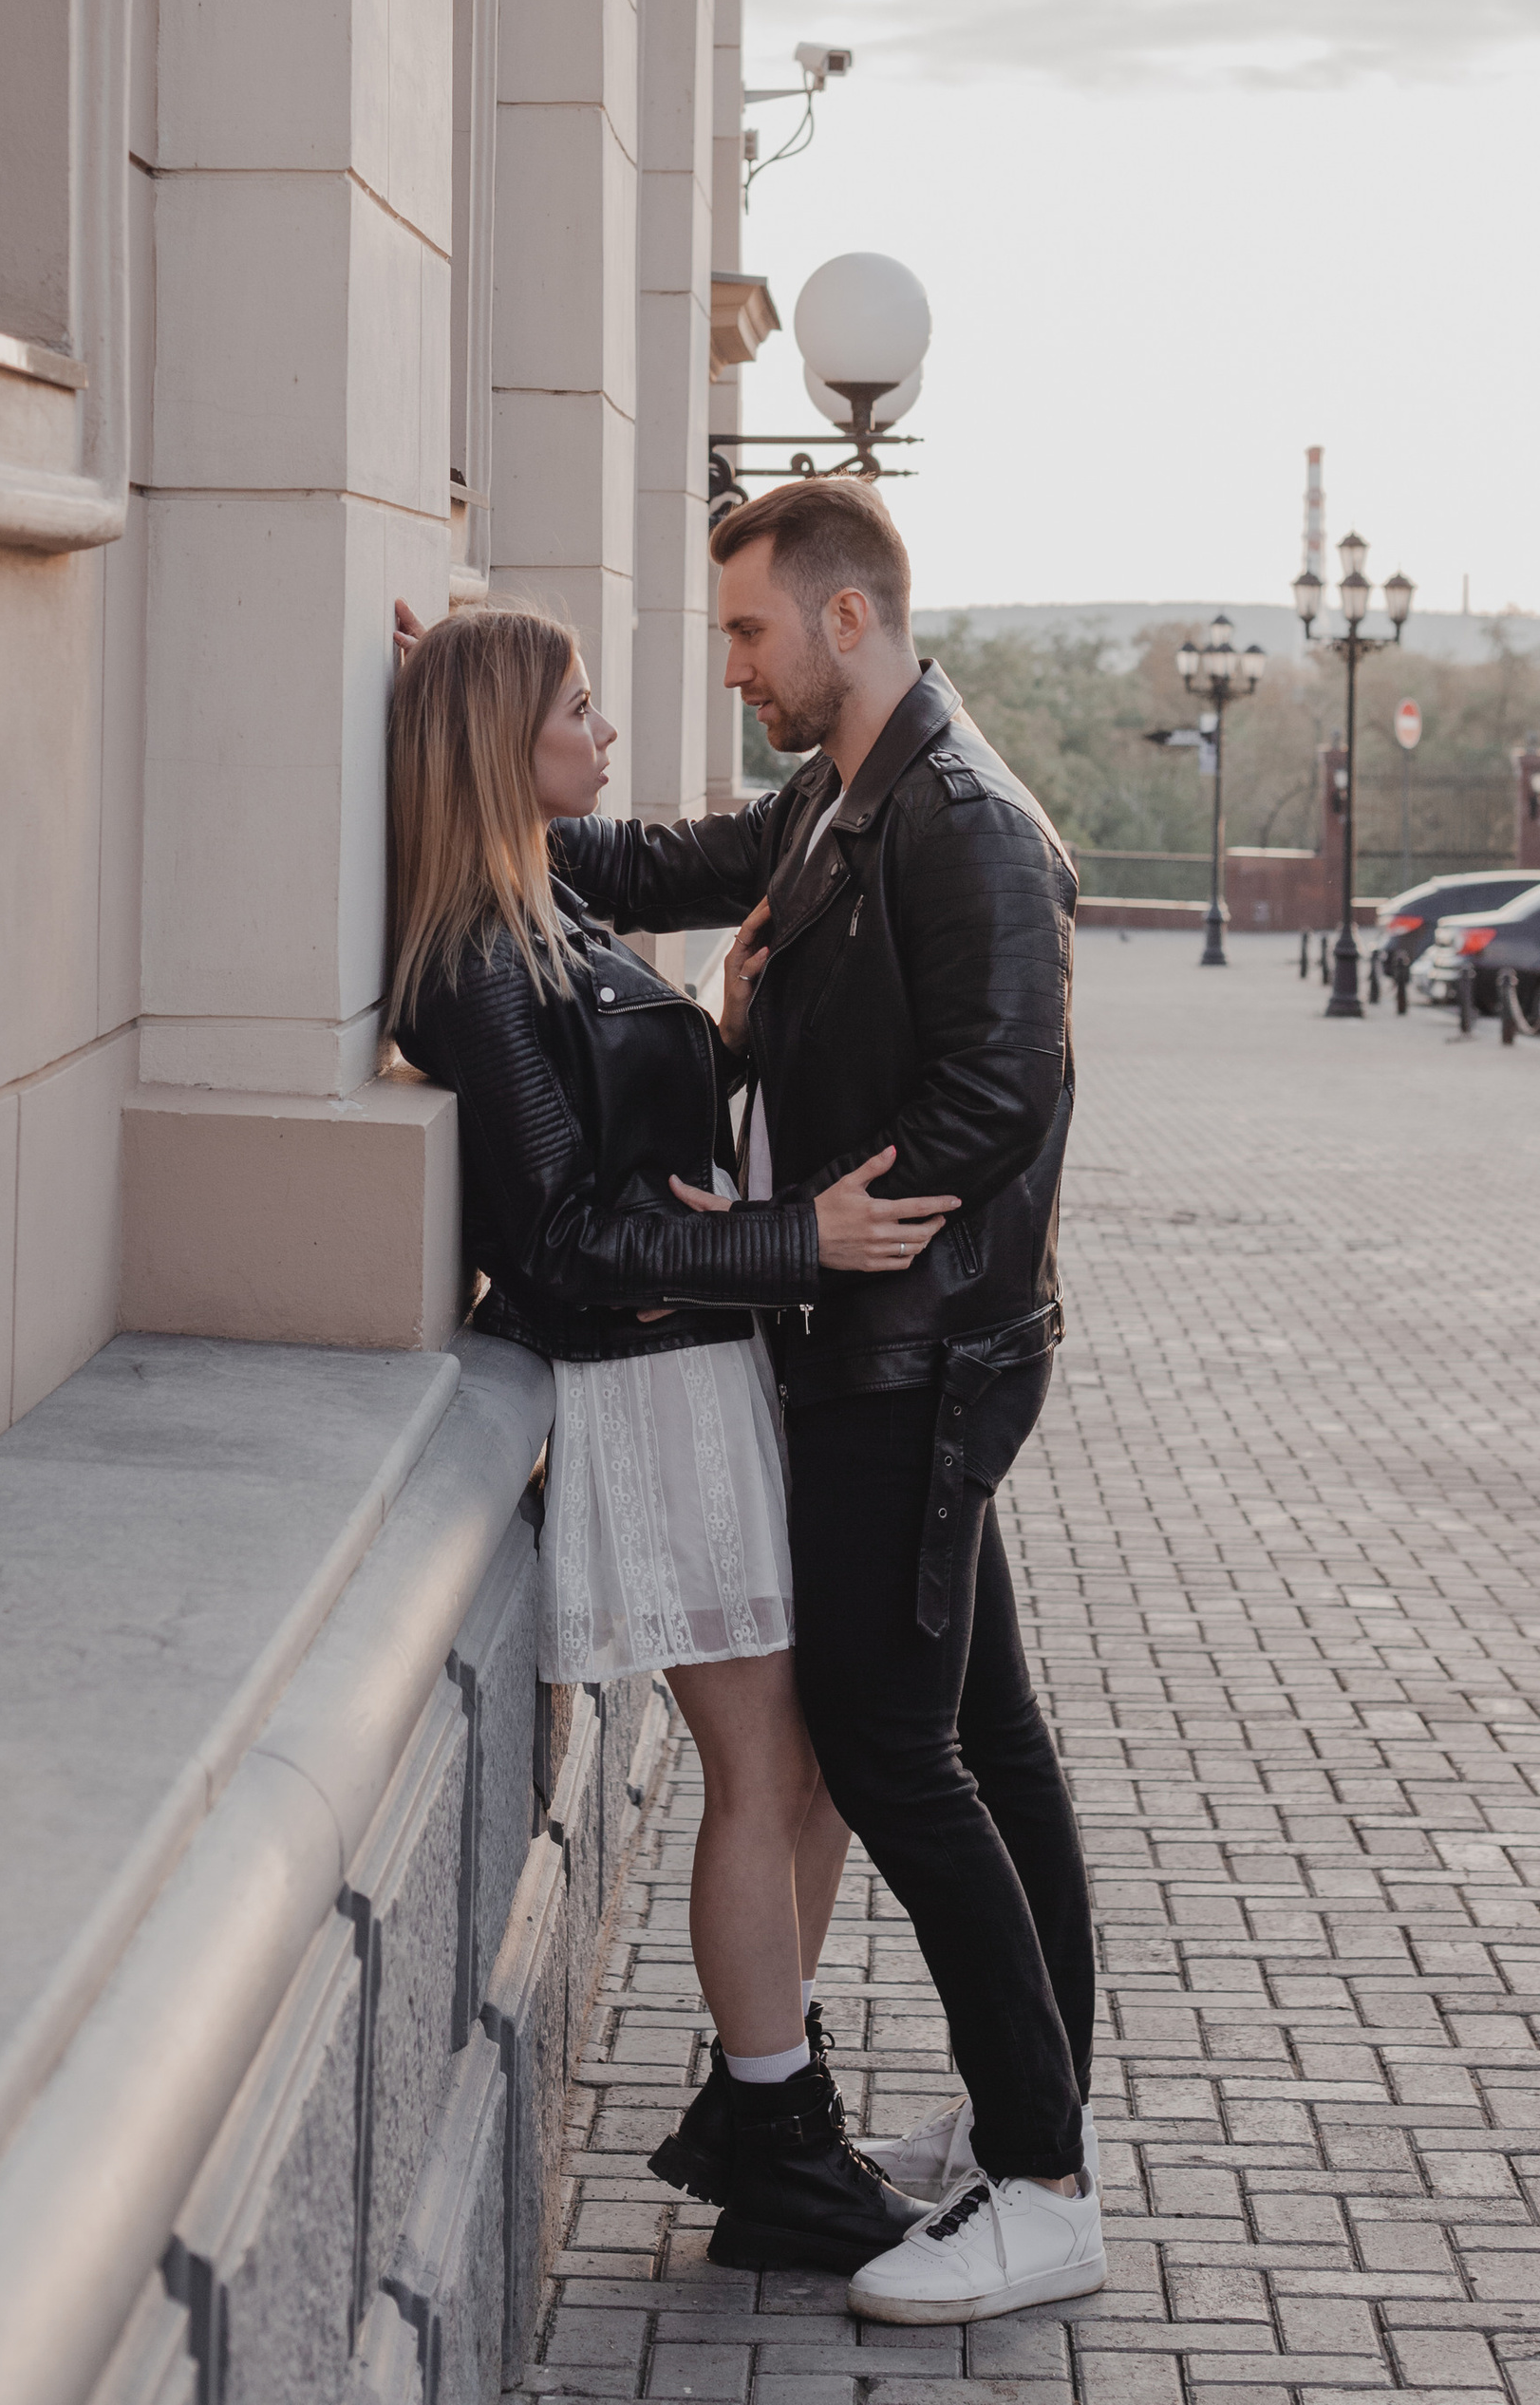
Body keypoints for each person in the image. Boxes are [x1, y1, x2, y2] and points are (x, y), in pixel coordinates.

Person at [546, 477, 1105, 2326]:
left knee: (887, 1747)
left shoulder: (960, 825)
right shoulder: (830, 801)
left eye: (747, 634)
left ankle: (1036, 2180)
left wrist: (787, 1244)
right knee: (988, 1735)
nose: (733, 668)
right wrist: (471, 751)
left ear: (846, 622)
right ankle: (1037, 2123)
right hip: (885, 1342)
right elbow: (639, 868)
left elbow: (992, 1098)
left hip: (914, 1356)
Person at [385, 602, 938, 2277]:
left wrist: (733, 1025)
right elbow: (558, 1242)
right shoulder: (478, 956)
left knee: (815, 1762)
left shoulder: (554, 906)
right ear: (505, 744)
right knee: (766, 1767)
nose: (609, 731)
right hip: (646, 1389)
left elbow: (637, 1150)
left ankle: (772, 2097)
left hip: (705, 1369)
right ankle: (776, 2142)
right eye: (575, 707)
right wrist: (801, 1246)